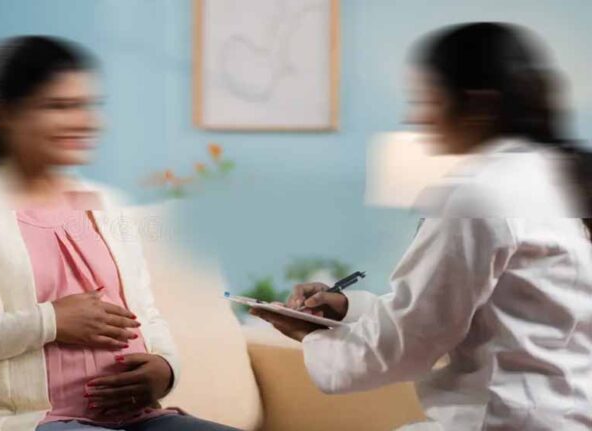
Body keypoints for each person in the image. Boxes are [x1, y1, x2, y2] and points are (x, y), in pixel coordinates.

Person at [0, 36, 238, 431]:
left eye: (88, 105)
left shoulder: (107, 206)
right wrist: (49, 321)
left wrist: (165, 368)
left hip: (140, 419)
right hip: (26, 423)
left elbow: (145, 316)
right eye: (58, 106)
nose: (85, 121)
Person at [252, 23, 592, 430]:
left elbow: (412, 340)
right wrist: (346, 309)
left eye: (426, 99)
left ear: (478, 104)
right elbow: (469, 314)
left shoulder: (481, 196)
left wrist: (311, 336)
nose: (415, 117)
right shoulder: (557, 178)